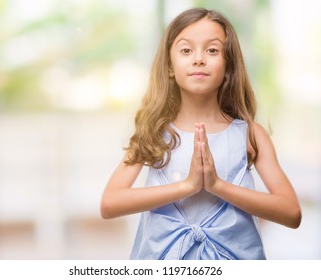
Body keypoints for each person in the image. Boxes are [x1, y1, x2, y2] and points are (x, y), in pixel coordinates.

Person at [100, 8, 301, 260]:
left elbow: (291, 212)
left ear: (228, 66)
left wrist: (217, 186)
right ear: (170, 66)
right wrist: (188, 186)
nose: (198, 59)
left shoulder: (251, 135)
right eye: (186, 50)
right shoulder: (153, 133)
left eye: (212, 50)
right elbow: (110, 204)